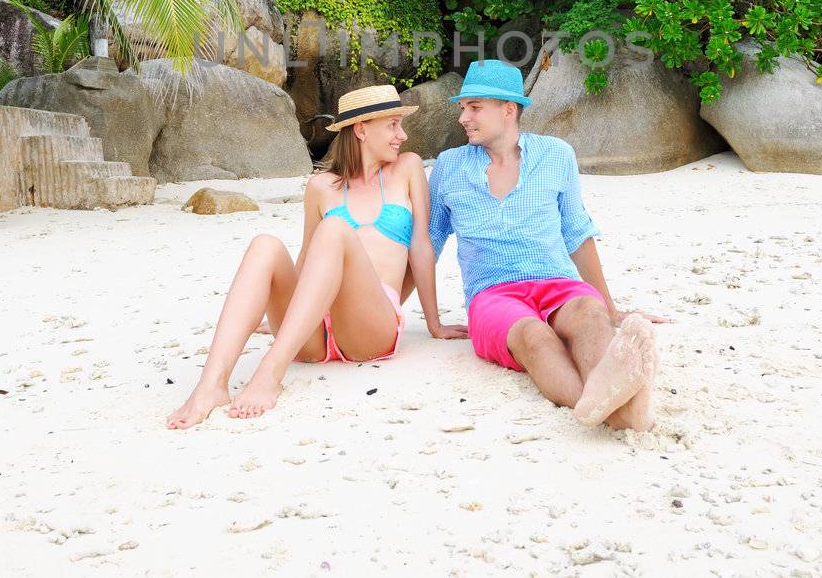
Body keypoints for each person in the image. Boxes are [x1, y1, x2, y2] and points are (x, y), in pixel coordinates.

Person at [167, 84, 466, 429]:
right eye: (393, 124)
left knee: (336, 229)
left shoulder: (408, 168)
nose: (403, 135)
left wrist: (434, 323)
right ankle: (211, 385)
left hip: (369, 329)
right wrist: (279, 312)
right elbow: (308, 258)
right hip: (312, 334)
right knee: (265, 244)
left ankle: (269, 372)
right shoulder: (321, 186)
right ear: (362, 129)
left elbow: (421, 247)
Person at [429, 59, 662, 431]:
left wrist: (610, 308)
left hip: (558, 281)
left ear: (508, 110)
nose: (463, 118)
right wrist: (429, 320)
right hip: (493, 294)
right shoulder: (449, 165)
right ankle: (616, 412)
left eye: (474, 107)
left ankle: (611, 401)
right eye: (462, 108)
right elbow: (428, 240)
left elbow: (576, 231)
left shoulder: (556, 155)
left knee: (589, 311)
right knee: (534, 336)